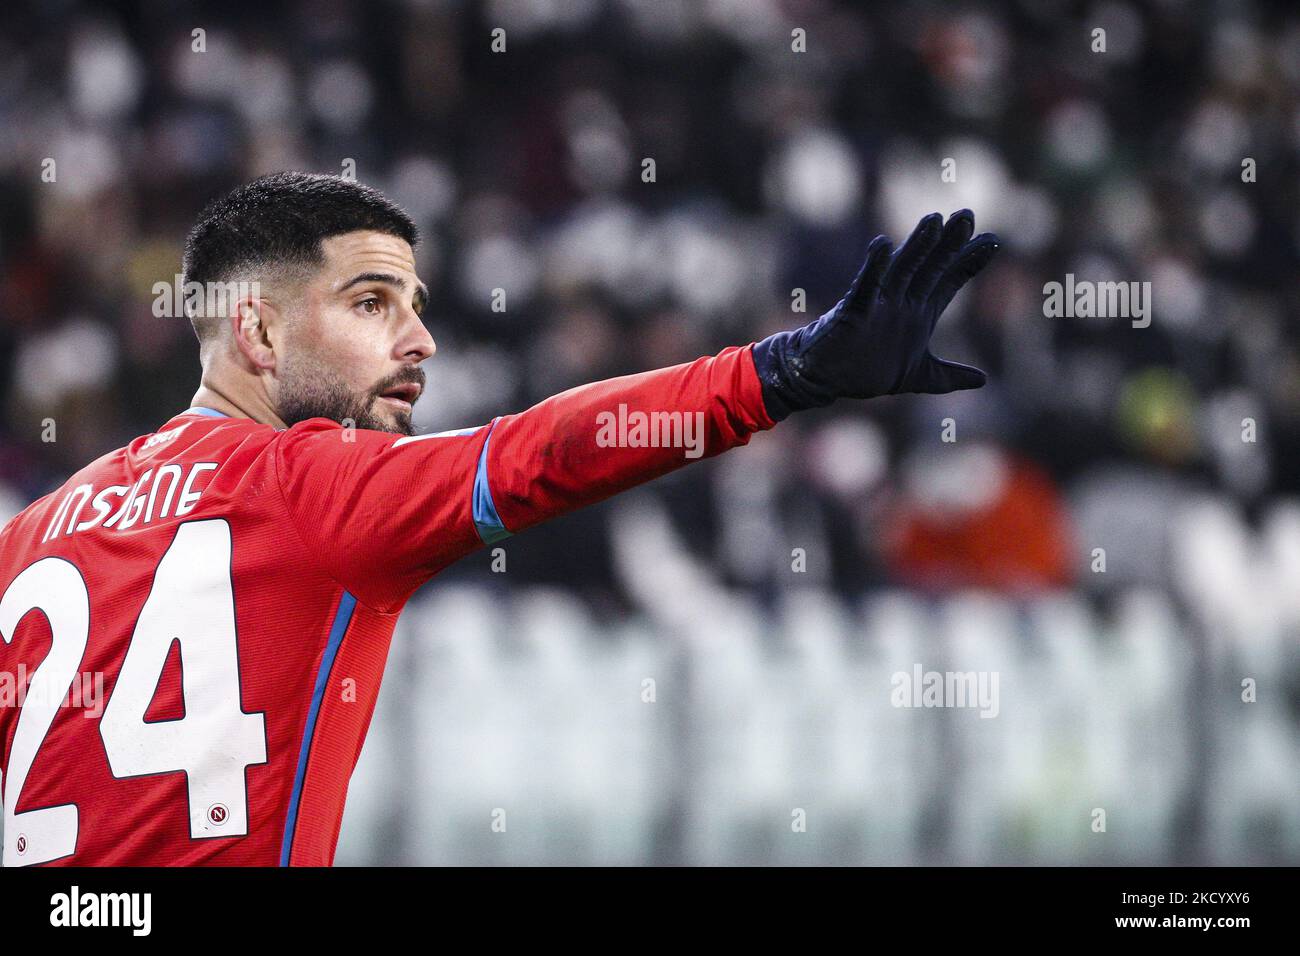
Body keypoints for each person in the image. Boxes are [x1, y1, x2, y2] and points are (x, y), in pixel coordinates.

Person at [0, 172, 998, 865]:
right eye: (370, 303)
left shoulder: (31, 534)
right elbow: (543, 453)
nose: (421, 339)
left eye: (415, 302)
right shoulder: (309, 485)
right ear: (257, 328)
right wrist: (779, 373)